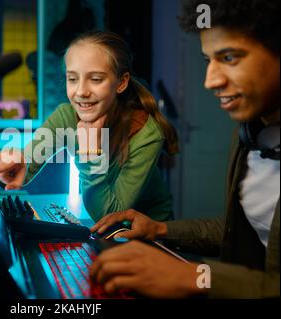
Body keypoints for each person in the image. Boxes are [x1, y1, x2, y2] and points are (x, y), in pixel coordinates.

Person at [89, 0, 279, 298]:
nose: (211, 81)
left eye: (229, 58)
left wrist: (195, 276)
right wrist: (159, 230)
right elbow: (239, 230)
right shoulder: (249, 135)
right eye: (208, 61)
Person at [0, 31, 179, 222]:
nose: (81, 91)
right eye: (72, 79)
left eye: (95, 79)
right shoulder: (66, 116)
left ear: (121, 83)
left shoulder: (147, 133)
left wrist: (90, 155)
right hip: (109, 233)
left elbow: (111, 215)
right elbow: (28, 159)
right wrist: (15, 165)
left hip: (152, 235)